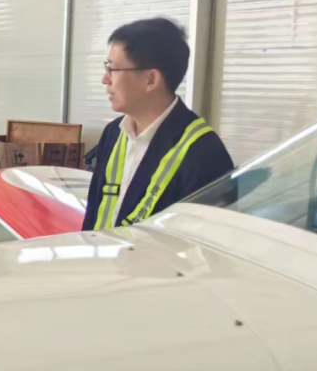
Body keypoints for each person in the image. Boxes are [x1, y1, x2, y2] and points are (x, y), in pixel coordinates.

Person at [82, 17, 234, 231]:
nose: (105, 79)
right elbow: (94, 214)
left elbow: (204, 240)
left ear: (151, 80)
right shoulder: (114, 133)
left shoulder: (204, 153)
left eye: (113, 69)